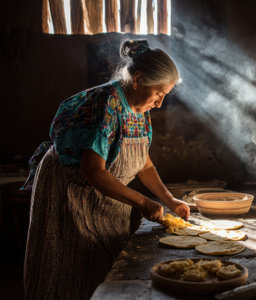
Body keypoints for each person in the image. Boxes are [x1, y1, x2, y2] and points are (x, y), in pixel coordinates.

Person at [23, 39, 190, 300]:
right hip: (69, 191)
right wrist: (143, 203)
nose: (159, 103)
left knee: (103, 266)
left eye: (164, 96)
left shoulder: (139, 109)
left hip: (101, 193)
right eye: (158, 93)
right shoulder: (108, 104)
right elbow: (93, 171)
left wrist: (169, 200)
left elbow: (143, 163)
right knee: (69, 269)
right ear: (138, 80)